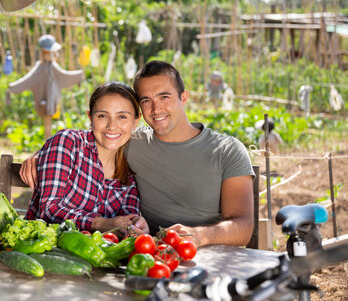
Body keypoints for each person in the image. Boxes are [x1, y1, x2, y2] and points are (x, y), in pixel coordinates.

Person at [21, 61, 254, 247]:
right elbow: (93, 136)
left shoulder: (227, 150)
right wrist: (40, 155)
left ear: (183, 98)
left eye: (164, 97)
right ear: (140, 111)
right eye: (146, 101)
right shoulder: (132, 142)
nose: (156, 109)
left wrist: (201, 236)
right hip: (147, 251)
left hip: (210, 253)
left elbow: (243, 228)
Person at [25, 81, 149, 236]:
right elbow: (49, 209)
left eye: (122, 117)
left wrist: (135, 224)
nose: (112, 126)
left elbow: (127, 220)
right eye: (102, 116)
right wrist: (100, 223)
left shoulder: (129, 172)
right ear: (90, 117)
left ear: (135, 121)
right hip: (42, 249)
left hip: (94, 256)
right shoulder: (68, 143)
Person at [7, 34, 84, 139]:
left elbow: (63, 75)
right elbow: (27, 80)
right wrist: (12, 87)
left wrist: (78, 76)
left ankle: (48, 143)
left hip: (49, 101)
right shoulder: (43, 67)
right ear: (46, 52)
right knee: (47, 124)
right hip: (45, 102)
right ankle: (47, 144)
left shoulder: (48, 66)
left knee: (48, 124)